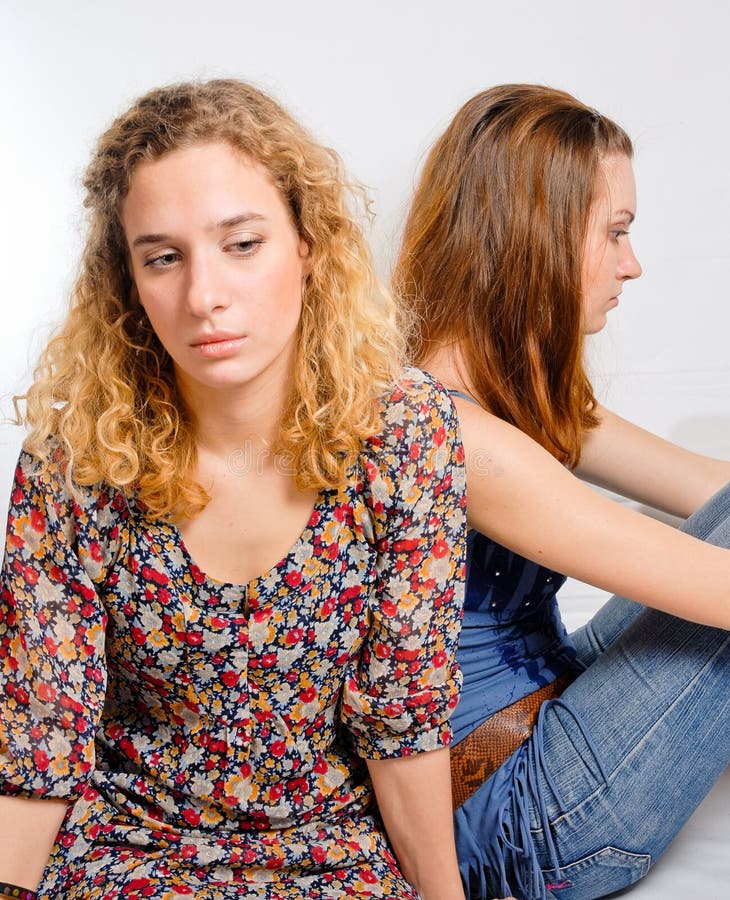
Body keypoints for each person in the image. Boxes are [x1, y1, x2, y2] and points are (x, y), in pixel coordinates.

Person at [0, 79, 470, 900]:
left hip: (329, 852)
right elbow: (43, 732)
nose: (204, 296)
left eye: (242, 244)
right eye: (163, 257)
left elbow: (404, 717)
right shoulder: (74, 460)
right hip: (126, 848)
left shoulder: (405, 432)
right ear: (129, 283)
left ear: (308, 243)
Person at [394, 84, 730, 900]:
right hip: (523, 816)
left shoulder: (519, 392)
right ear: (534, 238)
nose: (633, 264)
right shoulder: (459, 438)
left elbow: (712, 492)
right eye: (615, 233)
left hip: (552, 709)